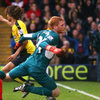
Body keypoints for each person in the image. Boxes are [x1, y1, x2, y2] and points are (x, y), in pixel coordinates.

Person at [0, 16, 66, 100]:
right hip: (38, 68)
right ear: (55, 27)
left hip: (28, 63)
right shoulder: (55, 36)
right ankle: (27, 88)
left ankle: (26, 87)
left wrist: (18, 44)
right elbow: (43, 43)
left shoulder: (43, 32)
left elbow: (24, 36)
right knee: (56, 92)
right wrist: (54, 49)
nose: (64, 26)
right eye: (62, 25)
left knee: (6, 78)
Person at [0, 5, 35, 97]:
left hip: (28, 52)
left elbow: (25, 41)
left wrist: (15, 54)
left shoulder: (18, 25)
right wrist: (3, 20)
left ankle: (28, 84)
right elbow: (12, 24)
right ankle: (27, 84)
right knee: (4, 71)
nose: (7, 15)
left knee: (6, 72)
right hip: (24, 52)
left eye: (7, 14)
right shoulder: (16, 24)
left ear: (10, 15)